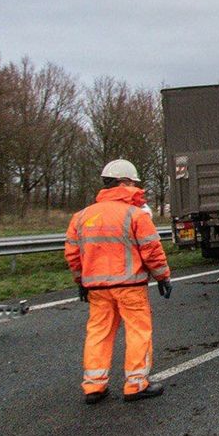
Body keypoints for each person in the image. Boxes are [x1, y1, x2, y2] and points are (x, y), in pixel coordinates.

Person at [64, 159, 173, 404]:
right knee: (137, 331)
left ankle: (94, 386)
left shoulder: (81, 217)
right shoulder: (134, 215)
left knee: (98, 333)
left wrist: (81, 281)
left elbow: (72, 254)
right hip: (130, 286)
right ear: (124, 182)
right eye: (134, 184)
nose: (136, 188)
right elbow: (151, 250)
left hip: (97, 289)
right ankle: (135, 385)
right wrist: (163, 277)